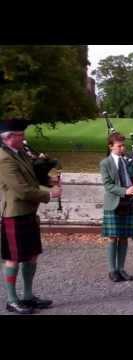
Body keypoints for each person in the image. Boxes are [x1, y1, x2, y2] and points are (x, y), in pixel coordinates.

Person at [0, 118, 62, 314]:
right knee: (13, 258)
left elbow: (32, 176)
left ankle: (27, 296)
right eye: (20, 135)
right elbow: (22, 190)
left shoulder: (20, 153)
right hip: (15, 214)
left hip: (29, 213)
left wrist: (49, 180)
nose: (24, 137)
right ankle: (12, 300)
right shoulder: (4, 158)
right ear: (9, 137)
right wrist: (49, 194)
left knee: (31, 255)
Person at [100, 132, 133, 282]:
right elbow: (108, 185)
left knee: (124, 238)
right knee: (113, 237)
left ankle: (121, 269)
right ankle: (112, 270)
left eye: (123, 145)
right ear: (111, 147)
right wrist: (124, 191)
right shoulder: (105, 163)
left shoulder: (128, 160)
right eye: (119, 146)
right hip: (114, 203)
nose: (122, 148)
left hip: (128, 202)